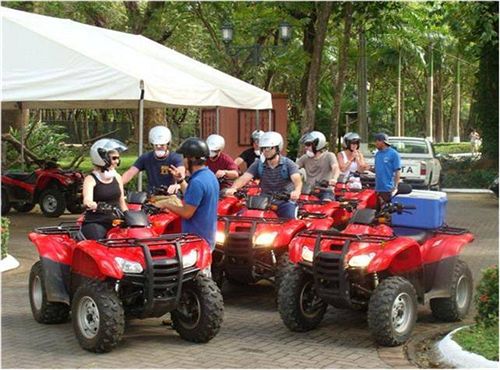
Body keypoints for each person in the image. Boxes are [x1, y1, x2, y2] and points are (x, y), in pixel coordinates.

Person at [225, 131, 302, 219]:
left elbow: (297, 180)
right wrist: (233, 188)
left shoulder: (288, 164)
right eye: (263, 148)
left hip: (284, 202)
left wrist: (297, 191)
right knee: (242, 217)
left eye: (269, 148)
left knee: (290, 220)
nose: (266, 150)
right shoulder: (259, 164)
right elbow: (244, 178)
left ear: (278, 148)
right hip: (263, 201)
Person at [161, 137, 219, 250]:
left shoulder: (197, 182)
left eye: (184, 157)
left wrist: (166, 204)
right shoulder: (209, 176)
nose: (182, 161)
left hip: (196, 241)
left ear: (191, 159)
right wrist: (181, 181)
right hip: (207, 239)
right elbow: (194, 197)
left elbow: (187, 213)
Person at [82, 138, 128, 240]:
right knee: (99, 240)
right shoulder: (90, 179)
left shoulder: (117, 177)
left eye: (118, 158)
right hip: (97, 221)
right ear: (102, 159)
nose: (117, 162)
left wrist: (129, 217)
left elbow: (122, 203)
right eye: (114, 158)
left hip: (116, 221)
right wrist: (94, 204)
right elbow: (87, 199)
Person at [122, 125, 185, 193]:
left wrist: (178, 184)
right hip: (152, 195)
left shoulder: (175, 158)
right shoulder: (146, 157)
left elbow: (181, 171)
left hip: (172, 195)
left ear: (168, 144)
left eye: (162, 145)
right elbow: (130, 172)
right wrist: (118, 184)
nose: (159, 147)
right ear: (152, 144)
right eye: (156, 145)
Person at [296, 131, 340, 201]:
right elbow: (293, 168)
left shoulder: (329, 156)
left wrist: (334, 179)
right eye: (305, 145)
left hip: (325, 190)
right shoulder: (305, 158)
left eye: (308, 145)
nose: (305, 148)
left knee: (326, 203)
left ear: (317, 144)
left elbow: (335, 168)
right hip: (308, 191)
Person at [374, 133, 401, 205]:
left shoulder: (394, 154)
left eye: (377, 141)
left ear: (382, 142)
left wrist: (395, 187)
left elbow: (397, 171)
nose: (375, 143)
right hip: (378, 188)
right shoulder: (377, 154)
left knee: (387, 211)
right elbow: (378, 169)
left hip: (388, 188)